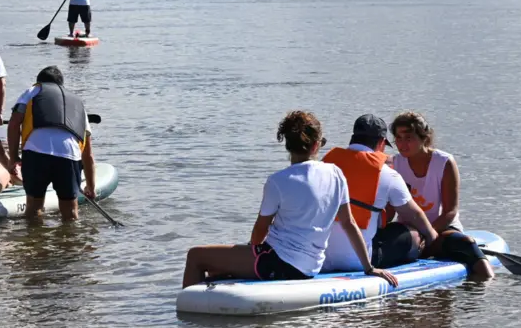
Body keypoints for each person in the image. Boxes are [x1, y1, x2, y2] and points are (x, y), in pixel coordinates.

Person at [181, 111, 400, 288]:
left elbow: (259, 233)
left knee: (196, 256)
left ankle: (188, 322)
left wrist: (251, 253)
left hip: (280, 262)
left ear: (288, 146)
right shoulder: (335, 173)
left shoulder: (278, 181)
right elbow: (349, 223)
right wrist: (369, 268)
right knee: (221, 267)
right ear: (316, 145)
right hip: (312, 265)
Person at [320, 114, 439, 273]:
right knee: (414, 234)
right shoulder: (386, 174)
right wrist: (433, 238)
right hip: (360, 261)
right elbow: (415, 215)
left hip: (321, 258)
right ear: (381, 143)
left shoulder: (324, 164)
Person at [390, 111, 494, 278]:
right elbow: (389, 209)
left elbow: (450, 211)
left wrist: (428, 234)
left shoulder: (444, 162)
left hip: (442, 229)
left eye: (408, 138)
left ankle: (486, 287)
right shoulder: (394, 163)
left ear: (424, 137)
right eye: (398, 138)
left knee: (465, 244)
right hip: (410, 232)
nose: (402, 144)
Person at [7, 66, 97, 222]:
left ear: (39, 82)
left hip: (36, 152)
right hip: (69, 154)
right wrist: (90, 186)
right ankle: (69, 244)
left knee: (34, 208)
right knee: (70, 213)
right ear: (62, 84)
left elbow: (14, 123)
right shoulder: (78, 103)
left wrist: (14, 156)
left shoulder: (32, 91)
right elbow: (88, 154)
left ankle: (34, 243)